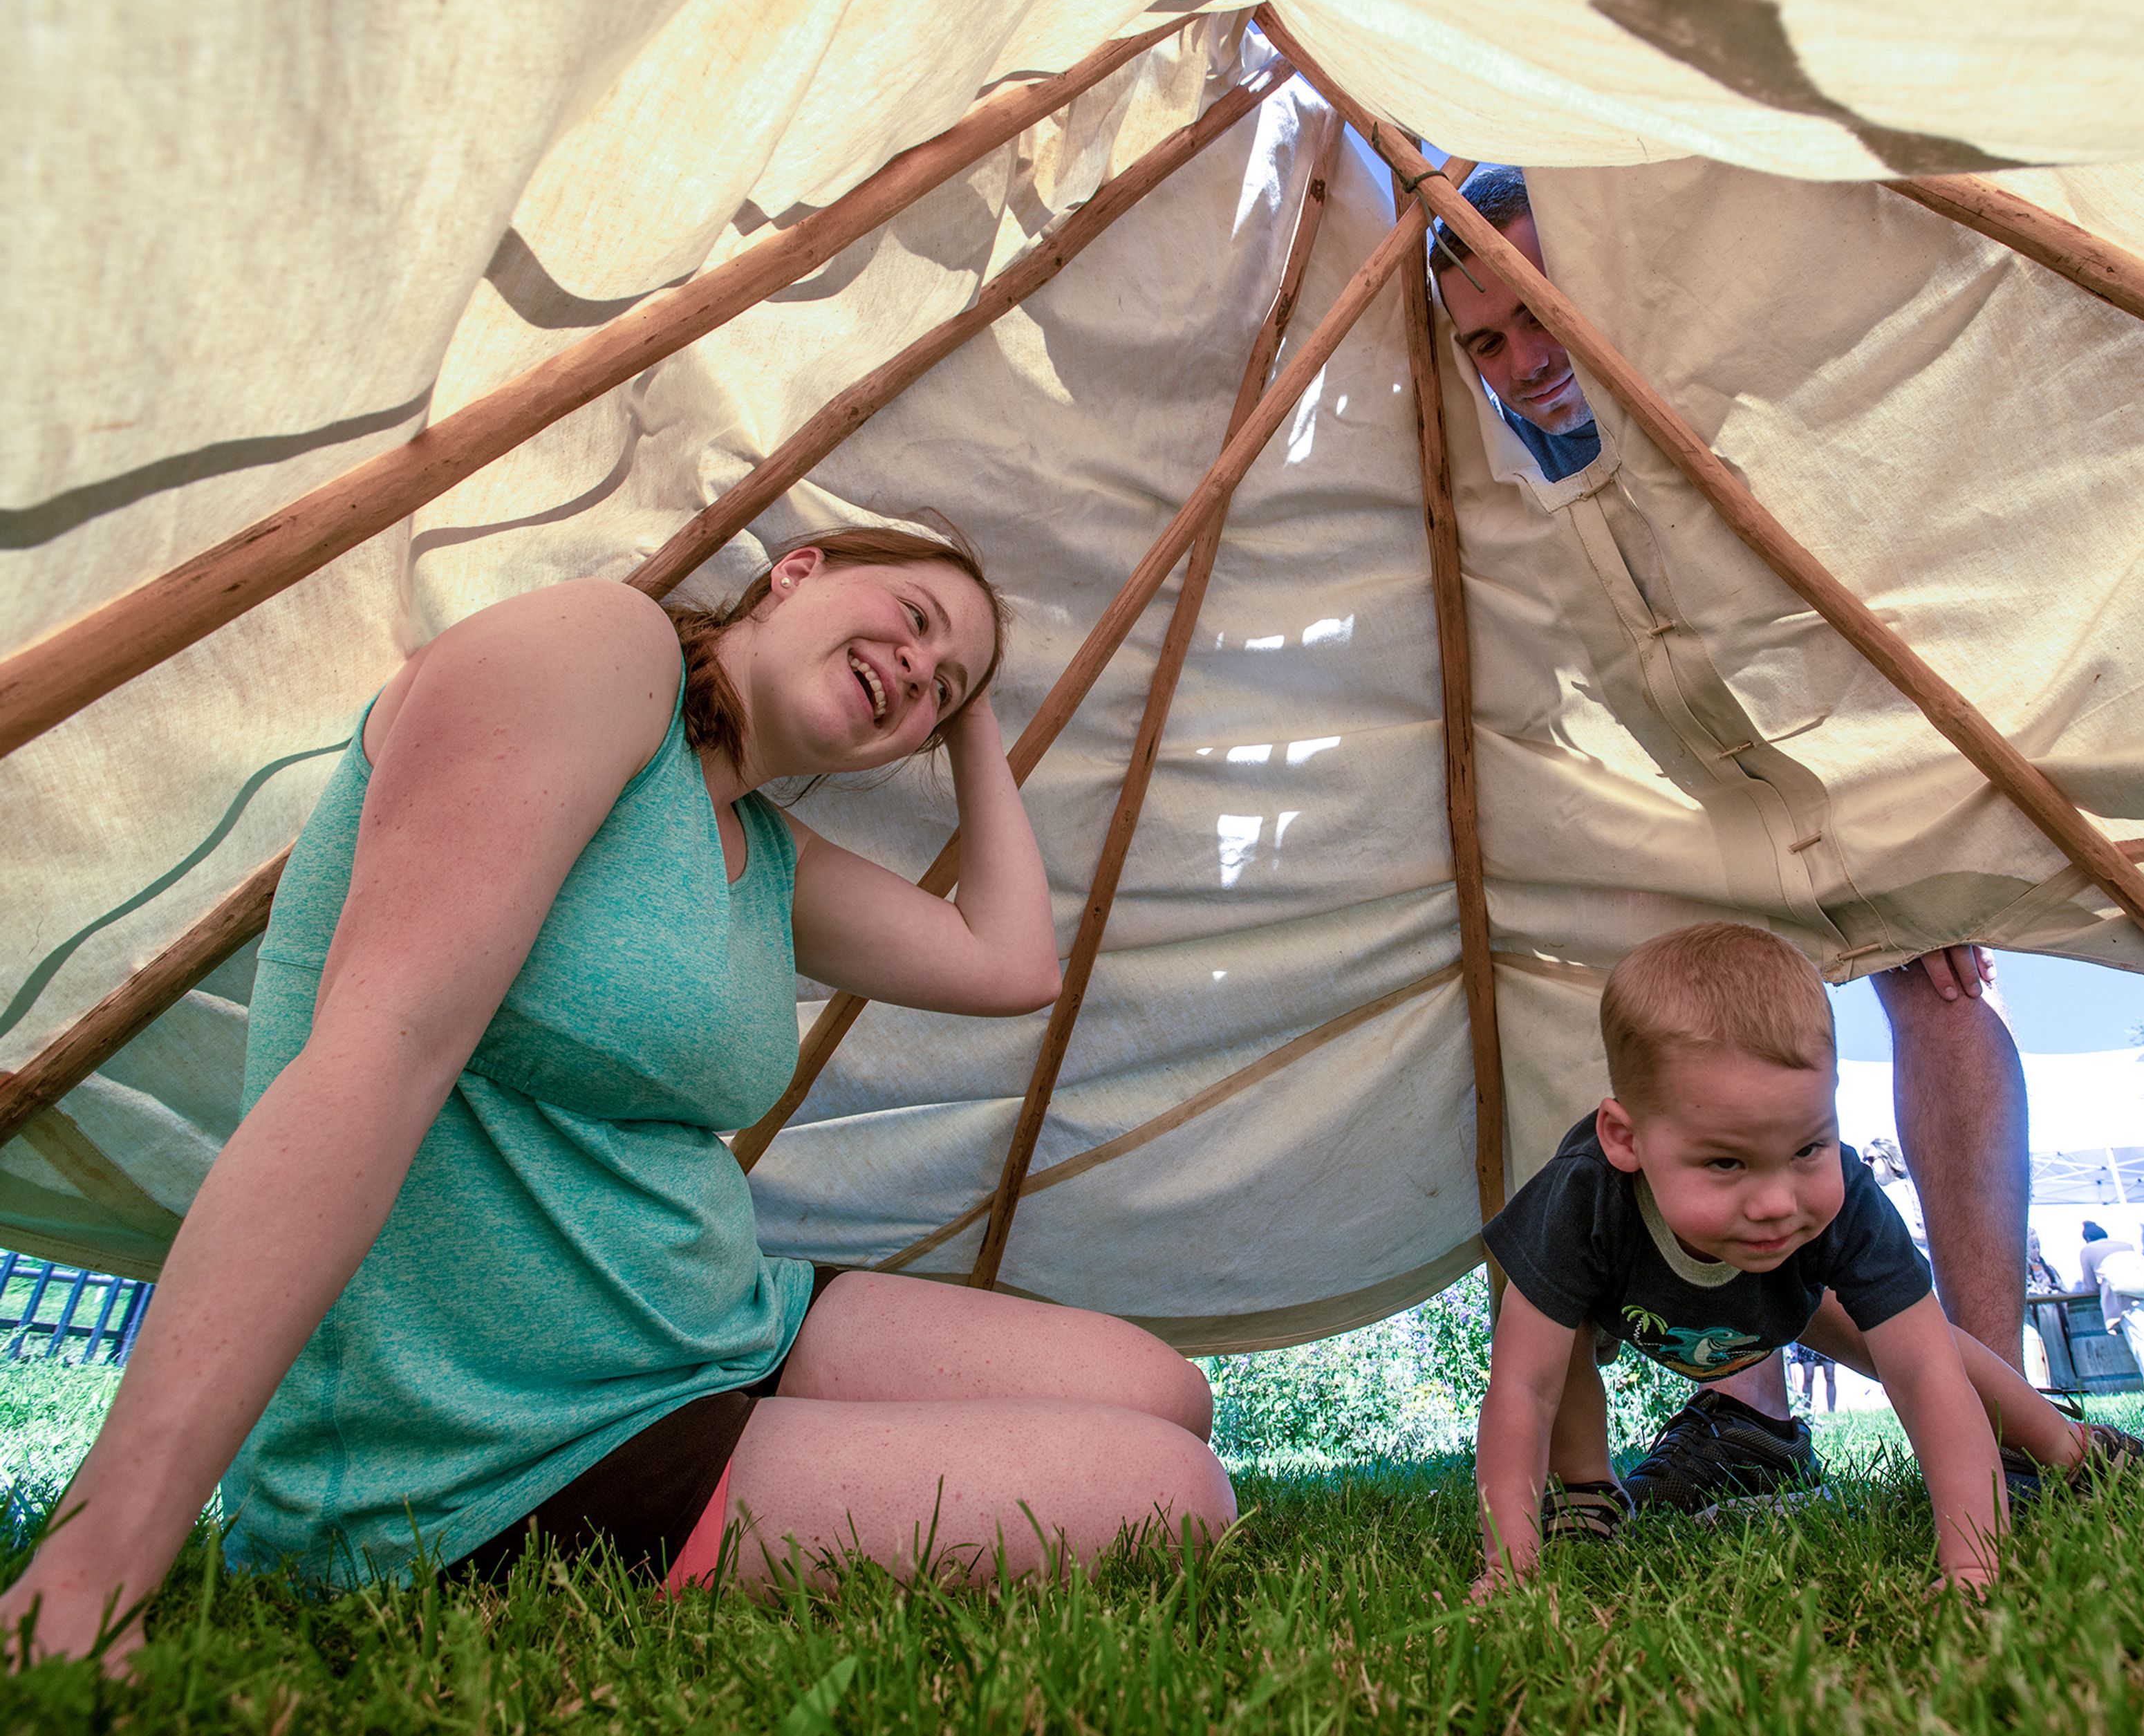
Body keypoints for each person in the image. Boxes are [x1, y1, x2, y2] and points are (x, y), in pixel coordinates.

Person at [1, 529, 1234, 1668]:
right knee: (1171, 1494)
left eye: (943, 683)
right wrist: (101, 1554)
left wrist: (967, 720)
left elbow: (1011, 966)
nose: (917, 671)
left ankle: (778, 1419)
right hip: (512, 1436)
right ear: (792, 570)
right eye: (909, 618)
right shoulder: (596, 652)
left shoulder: (766, 854)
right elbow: (372, 1059)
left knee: (1168, 1392)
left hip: (713, 1324)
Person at [1430, 161, 2038, 1511]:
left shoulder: (1744, 400)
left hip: (1843, 740)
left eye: (1541, 314)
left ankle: (1997, 1393)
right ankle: (1743, 1411)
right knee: (1688, 1043)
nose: (1525, 363)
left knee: (1934, 978)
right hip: (1667, 799)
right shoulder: (1496, 508)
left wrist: (1917, 810)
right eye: (1487, 340)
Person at [1470, 923, 2144, 1598]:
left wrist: (1973, 1569)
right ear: (1625, 1137)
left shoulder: (1842, 1199)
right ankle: (1589, 1493)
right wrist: (1508, 1568)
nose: (1776, 1200)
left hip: (1791, 1291)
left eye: (1807, 1147)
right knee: (1550, 1340)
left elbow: (1926, 1377)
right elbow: (1521, 1392)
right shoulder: (1578, 1201)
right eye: (1725, 1161)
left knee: (1936, 1352)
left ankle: (2071, 1448)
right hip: (1623, 1292)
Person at [2076, 1224, 2144, 1394]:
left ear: (2087, 1238)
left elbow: (2090, 1286)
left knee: (2141, 1343)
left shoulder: (2087, 1250)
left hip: (2128, 1298)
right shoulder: (2125, 1245)